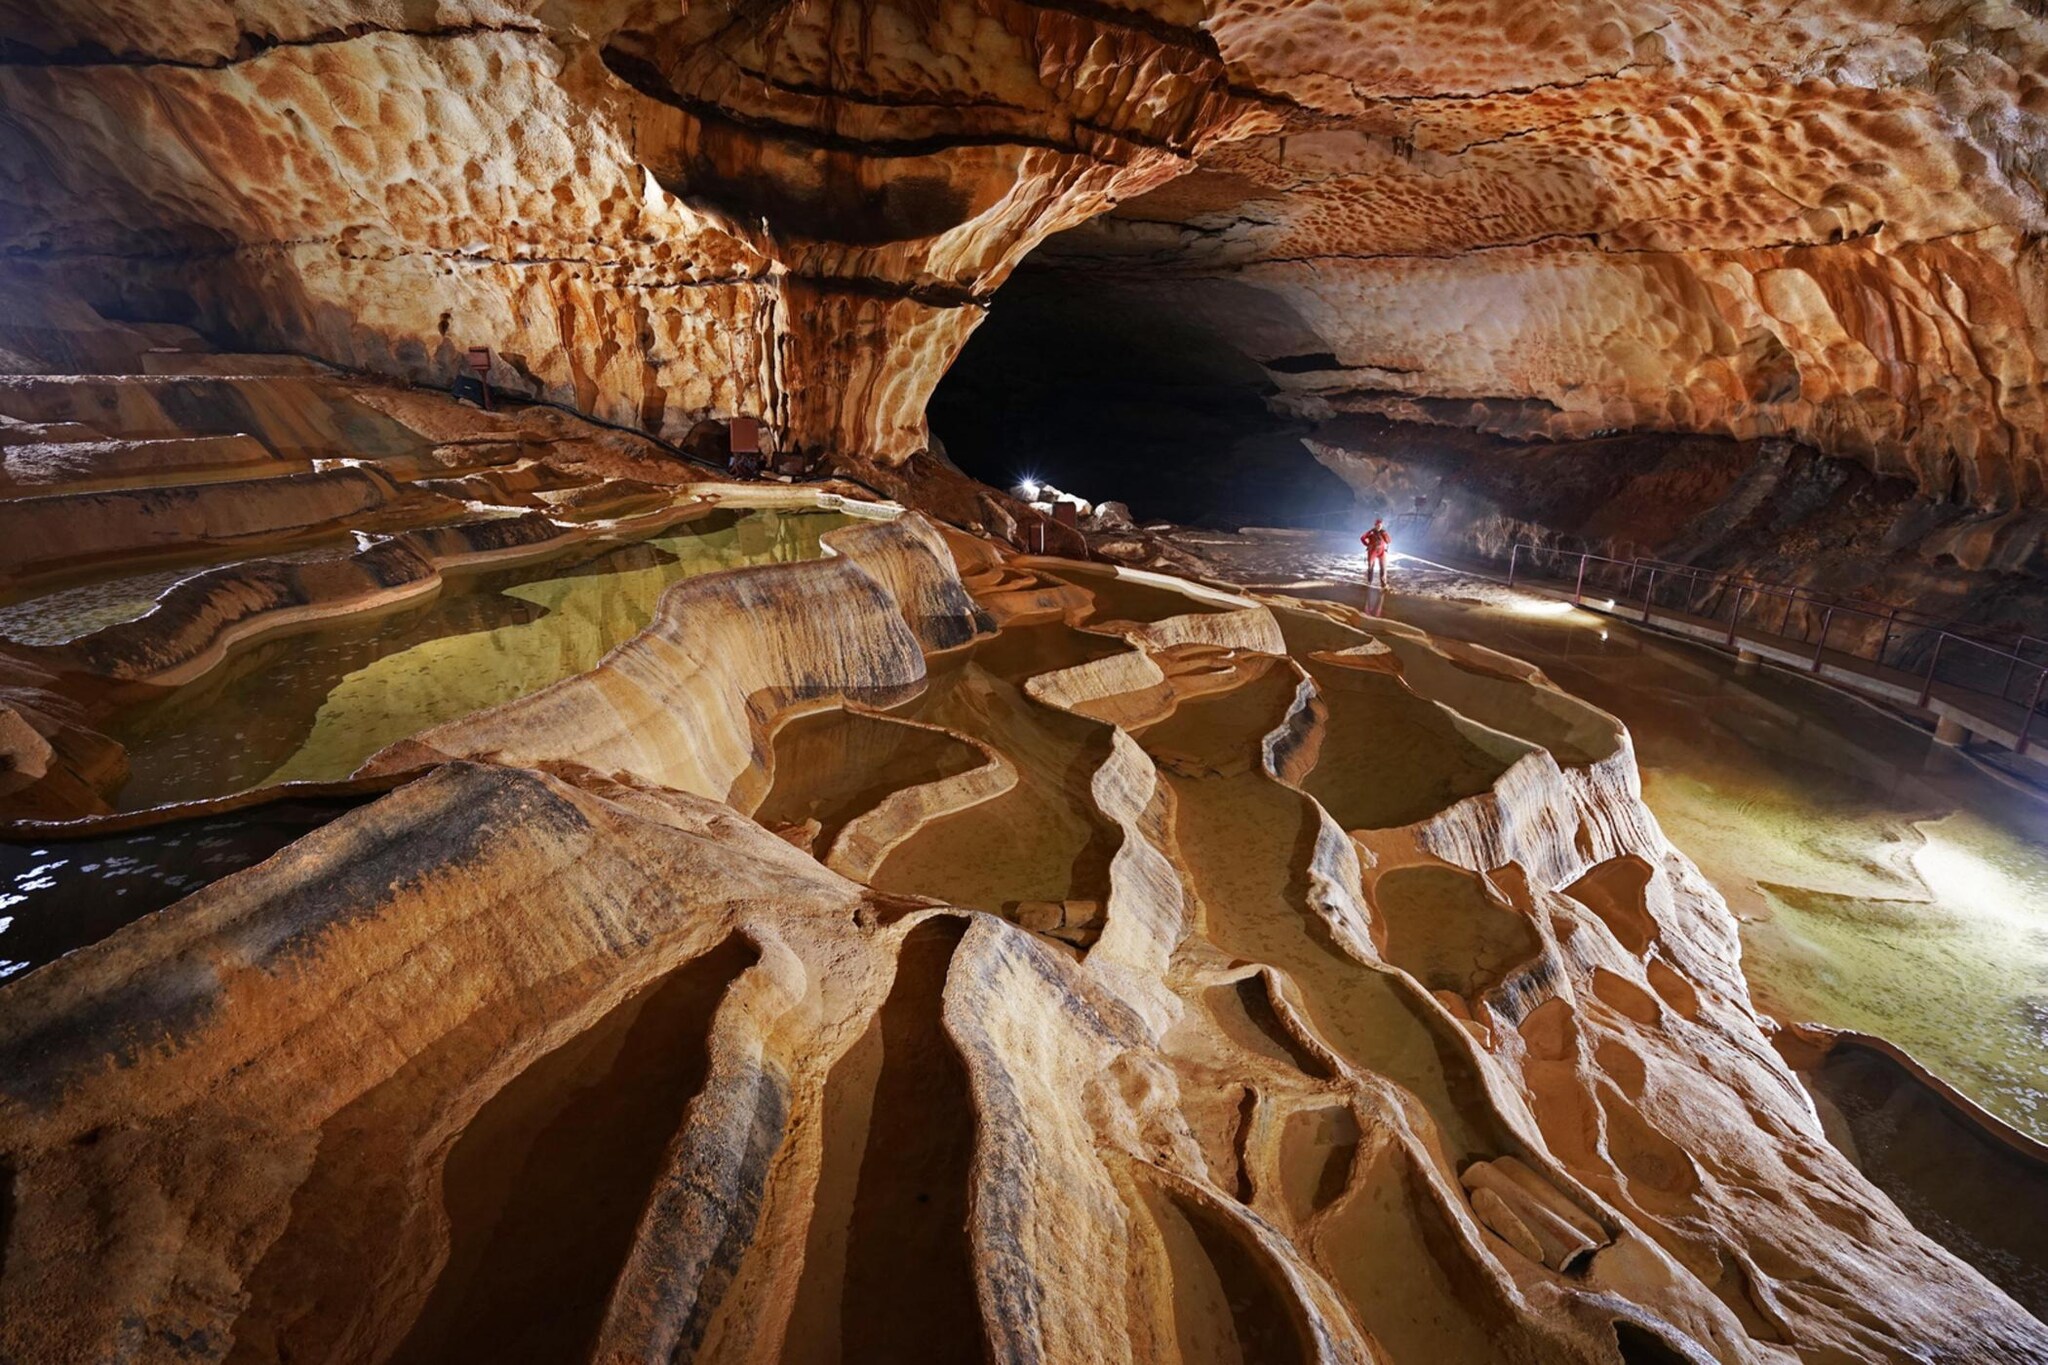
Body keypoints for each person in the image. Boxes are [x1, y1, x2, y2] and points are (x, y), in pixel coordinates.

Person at [1361, 517, 1391, 587]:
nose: (1379, 527)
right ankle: (1369, 582)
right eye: (1377, 525)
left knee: (1383, 567)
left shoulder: (1383, 532)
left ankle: (1383, 584)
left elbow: (1389, 541)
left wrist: (1385, 534)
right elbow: (1362, 538)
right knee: (1370, 567)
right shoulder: (1371, 532)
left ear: (1382, 526)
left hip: (1382, 552)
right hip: (1372, 551)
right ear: (1375, 525)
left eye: (1380, 525)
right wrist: (1367, 544)